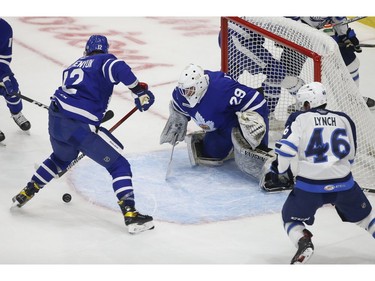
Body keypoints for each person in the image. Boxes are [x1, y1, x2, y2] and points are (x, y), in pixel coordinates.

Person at [12, 35, 155, 234]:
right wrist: (138, 90)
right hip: (78, 126)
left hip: (56, 122)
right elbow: (119, 68)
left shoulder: (73, 66)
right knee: (118, 165)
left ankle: (27, 191)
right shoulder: (103, 60)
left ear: (86, 50)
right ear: (104, 50)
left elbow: (81, 93)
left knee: (60, 159)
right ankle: (131, 215)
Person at [263, 81, 375, 264]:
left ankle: (303, 241)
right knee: (366, 217)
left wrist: (280, 172)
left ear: (307, 103)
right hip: (344, 184)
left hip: (310, 188)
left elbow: (286, 150)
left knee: (289, 218)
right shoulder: (344, 118)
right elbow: (352, 155)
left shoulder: (299, 118)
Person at [160, 63, 269, 170]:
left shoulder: (222, 88)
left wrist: (254, 119)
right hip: (218, 128)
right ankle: (225, 143)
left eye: (190, 89)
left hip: (233, 121)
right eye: (184, 90)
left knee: (254, 160)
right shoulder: (181, 94)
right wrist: (178, 119)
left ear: (200, 84)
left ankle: (256, 145)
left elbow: (256, 100)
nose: (186, 93)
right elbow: (179, 108)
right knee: (211, 154)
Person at [283, 17, 375, 109]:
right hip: (299, 35)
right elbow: (290, 21)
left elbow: (338, 18)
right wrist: (307, 32)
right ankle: (305, 102)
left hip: (325, 33)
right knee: (285, 76)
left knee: (352, 64)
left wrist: (345, 35)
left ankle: (354, 98)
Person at [0, 18, 31, 142]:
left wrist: (3, 75)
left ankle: (16, 113)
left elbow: (3, 57)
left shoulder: (4, 28)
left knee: (12, 89)